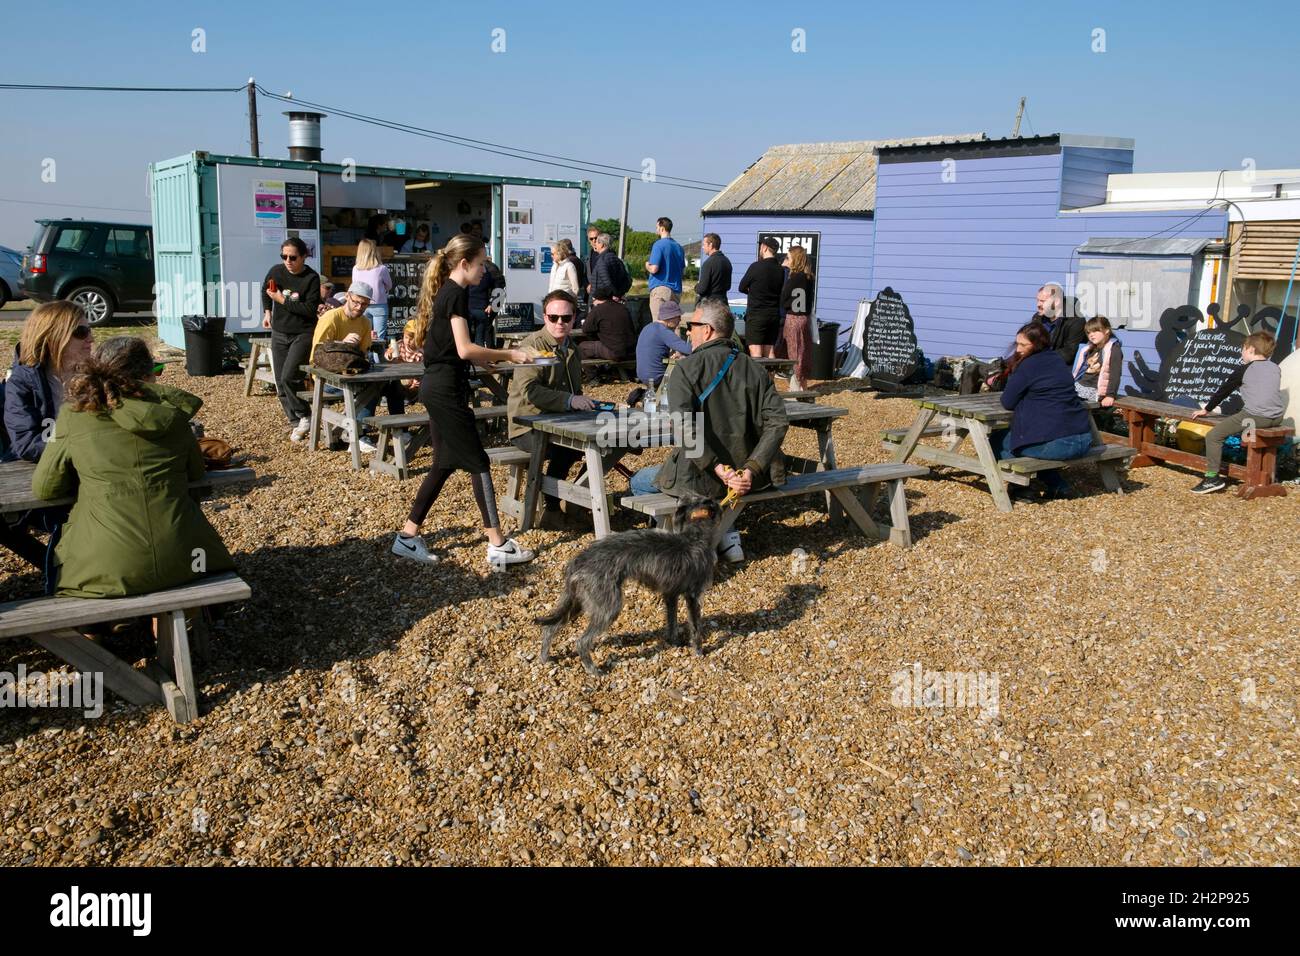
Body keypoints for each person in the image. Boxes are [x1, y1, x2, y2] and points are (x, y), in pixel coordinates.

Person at [31, 336, 235, 597]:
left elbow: (45, 488)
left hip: (104, 567)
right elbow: (195, 473)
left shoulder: (75, 416)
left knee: (57, 563)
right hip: (185, 555)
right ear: (148, 375)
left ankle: (94, 633)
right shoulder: (173, 416)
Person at [391, 234, 536, 567]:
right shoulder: (455, 294)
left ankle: (407, 536)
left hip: (440, 385)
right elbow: (464, 348)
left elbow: (450, 351)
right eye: (482, 263)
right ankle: (498, 544)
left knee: (443, 464)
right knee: (479, 462)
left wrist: (489, 361)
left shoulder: (449, 292)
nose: (485, 270)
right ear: (464, 264)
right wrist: (510, 352)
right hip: (445, 392)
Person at [629, 298, 788, 563]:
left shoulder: (686, 368)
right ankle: (728, 534)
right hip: (749, 478)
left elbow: (684, 427)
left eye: (692, 325)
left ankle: (678, 540)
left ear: (708, 330)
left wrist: (719, 469)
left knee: (639, 482)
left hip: (702, 476)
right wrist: (750, 469)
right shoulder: (755, 369)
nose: (688, 331)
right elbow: (778, 422)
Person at [507, 290, 594, 530]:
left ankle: (577, 499)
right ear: (544, 317)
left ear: (574, 318)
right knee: (567, 447)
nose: (559, 323)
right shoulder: (534, 345)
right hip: (527, 425)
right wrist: (569, 401)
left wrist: (582, 403)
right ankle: (553, 508)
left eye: (565, 318)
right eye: (553, 317)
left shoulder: (572, 348)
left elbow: (574, 392)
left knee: (605, 442)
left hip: (560, 421)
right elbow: (530, 391)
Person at [989, 322, 1096, 500]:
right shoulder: (1057, 360)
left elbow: (1007, 401)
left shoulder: (1027, 366)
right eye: (1017, 344)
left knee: (998, 441)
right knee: (1026, 437)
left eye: (1023, 345)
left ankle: (1025, 487)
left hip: (1060, 445)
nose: (1018, 349)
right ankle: (1053, 485)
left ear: (1037, 345)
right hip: (1083, 437)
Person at [1191, 331, 1285, 494]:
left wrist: (1206, 409)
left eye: (1243, 348)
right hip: (1276, 417)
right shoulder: (1275, 367)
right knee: (1243, 419)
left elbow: (1223, 391)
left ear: (1250, 349)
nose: (1241, 352)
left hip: (1256, 416)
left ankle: (1212, 478)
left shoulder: (1243, 370)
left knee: (1214, 436)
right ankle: (1262, 477)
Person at [5, 301, 94, 462]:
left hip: (90, 463)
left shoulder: (94, 374)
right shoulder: (22, 382)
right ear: (53, 336)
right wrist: (82, 448)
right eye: (81, 332)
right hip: (37, 469)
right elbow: (27, 444)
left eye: (89, 330)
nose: (91, 339)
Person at [261, 237, 322, 442]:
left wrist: (281, 300)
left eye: (293, 257)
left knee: (289, 376)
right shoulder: (276, 271)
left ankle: (305, 415)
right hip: (279, 331)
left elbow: (308, 309)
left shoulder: (311, 278)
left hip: (302, 332)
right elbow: (265, 291)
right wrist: (267, 312)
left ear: (304, 256)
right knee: (280, 381)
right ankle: (295, 421)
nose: (288, 260)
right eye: (284, 256)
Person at [738, 237, 785, 358]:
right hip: (773, 315)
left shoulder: (756, 267)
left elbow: (742, 287)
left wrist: (753, 291)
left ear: (764, 248)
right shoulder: (780, 270)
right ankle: (770, 377)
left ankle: (758, 377)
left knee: (756, 352)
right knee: (770, 351)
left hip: (757, 315)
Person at [780, 245, 816, 391]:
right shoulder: (809, 277)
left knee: (794, 353)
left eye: (788, 257)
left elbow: (784, 299)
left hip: (793, 318)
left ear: (795, 259)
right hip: (804, 318)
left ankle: (796, 388)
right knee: (803, 351)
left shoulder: (793, 278)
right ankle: (803, 385)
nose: (785, 260)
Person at [351, 239, 395, 358]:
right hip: (379, 304)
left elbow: (355, 286)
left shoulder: (356, 268)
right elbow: (389, 285)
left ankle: (365, 362)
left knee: (364, 337)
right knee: (379, 339)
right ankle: (378, 365)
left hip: (361, 305)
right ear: (374, 251)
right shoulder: (381, 268)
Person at [635, 297, 691, 389]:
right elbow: (689, 349)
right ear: (671, 317)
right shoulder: (663, 331)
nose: (680, 320)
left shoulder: (648, 327)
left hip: (642, 375)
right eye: (678, 317)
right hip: (656, 377)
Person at [1071, 316, 1122, 406]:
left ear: (1106, 330)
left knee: (1066, 400)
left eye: (1095, 331)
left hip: (1095, 390)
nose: (1091, 335)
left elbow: (1115, 374)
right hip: (1080, 386)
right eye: (1088, 332)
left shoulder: (1113, 349)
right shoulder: (1090, 348)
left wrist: (1110, 395)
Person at [1032, 282, 1086, 365]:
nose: (1038, 304)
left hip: (1060, 368)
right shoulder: (1038, 318)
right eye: (1037, 300)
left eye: (1043, 301)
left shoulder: (1075, 321)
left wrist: (1043, 359)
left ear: (1056, 302)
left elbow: (1069, 353)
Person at [580, 285, 636, 361]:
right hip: (632, 351)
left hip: (616, 352)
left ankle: (592, 372)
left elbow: (585, 329)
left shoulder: (598, 310)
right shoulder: (623, 308)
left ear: (596, 299)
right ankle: (608, 369)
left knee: (582, 347)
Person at [645, 217, 685, 321]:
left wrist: (647, 266)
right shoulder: (679, 247)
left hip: (661, 289)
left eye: (657, 227)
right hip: (676, 290)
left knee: (659, 323)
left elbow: (654, 269)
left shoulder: (658, 245)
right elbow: (682, 270)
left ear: (662, 228)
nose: (656, 230)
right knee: (673, 324)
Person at [467, 252, 506, 347]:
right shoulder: (489, 267)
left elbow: (499, 285)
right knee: (485, 329)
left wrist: (492, 303)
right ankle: (489, 353)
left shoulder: (484, 268)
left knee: (483, 329)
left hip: (480, 304)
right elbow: (500, 285)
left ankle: (488, 352)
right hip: (482, 304)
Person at [589, 233, 632, 300]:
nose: (595, 244)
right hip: (612, 299)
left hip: (603, 300)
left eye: (597, 242)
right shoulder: (617, 259)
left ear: (602, 244)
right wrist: (621, 294)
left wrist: (615, 295)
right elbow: (627, 280)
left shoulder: (602, 261)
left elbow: (607, 282)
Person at [695, 233, 732, 301]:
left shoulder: (708, 263)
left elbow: (702, 289)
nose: (703, 247)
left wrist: (697, 286)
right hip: (723, 303)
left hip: (711, 305)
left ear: (711, 245)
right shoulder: (727, 262)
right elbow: (728, 286)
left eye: (704, 244)